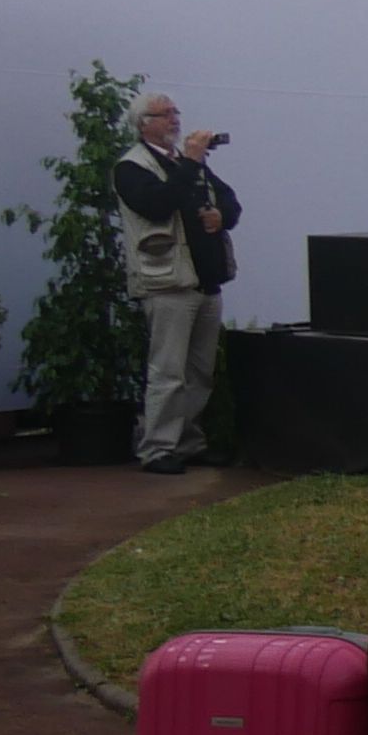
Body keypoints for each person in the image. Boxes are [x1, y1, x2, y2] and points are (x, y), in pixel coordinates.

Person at [114, 90, 241, 476]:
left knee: (199, 371)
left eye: (175, 112)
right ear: (143, 123)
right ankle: (157, 448)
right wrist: (189, 161)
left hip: (205, 281)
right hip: (167, 284)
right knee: (168, 371)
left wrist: (221, 215)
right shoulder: (131, 167)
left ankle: (188, 442)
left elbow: (231, 200)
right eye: (164, 114)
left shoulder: (189, 164)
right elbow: (157, 204)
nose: (174, 119)